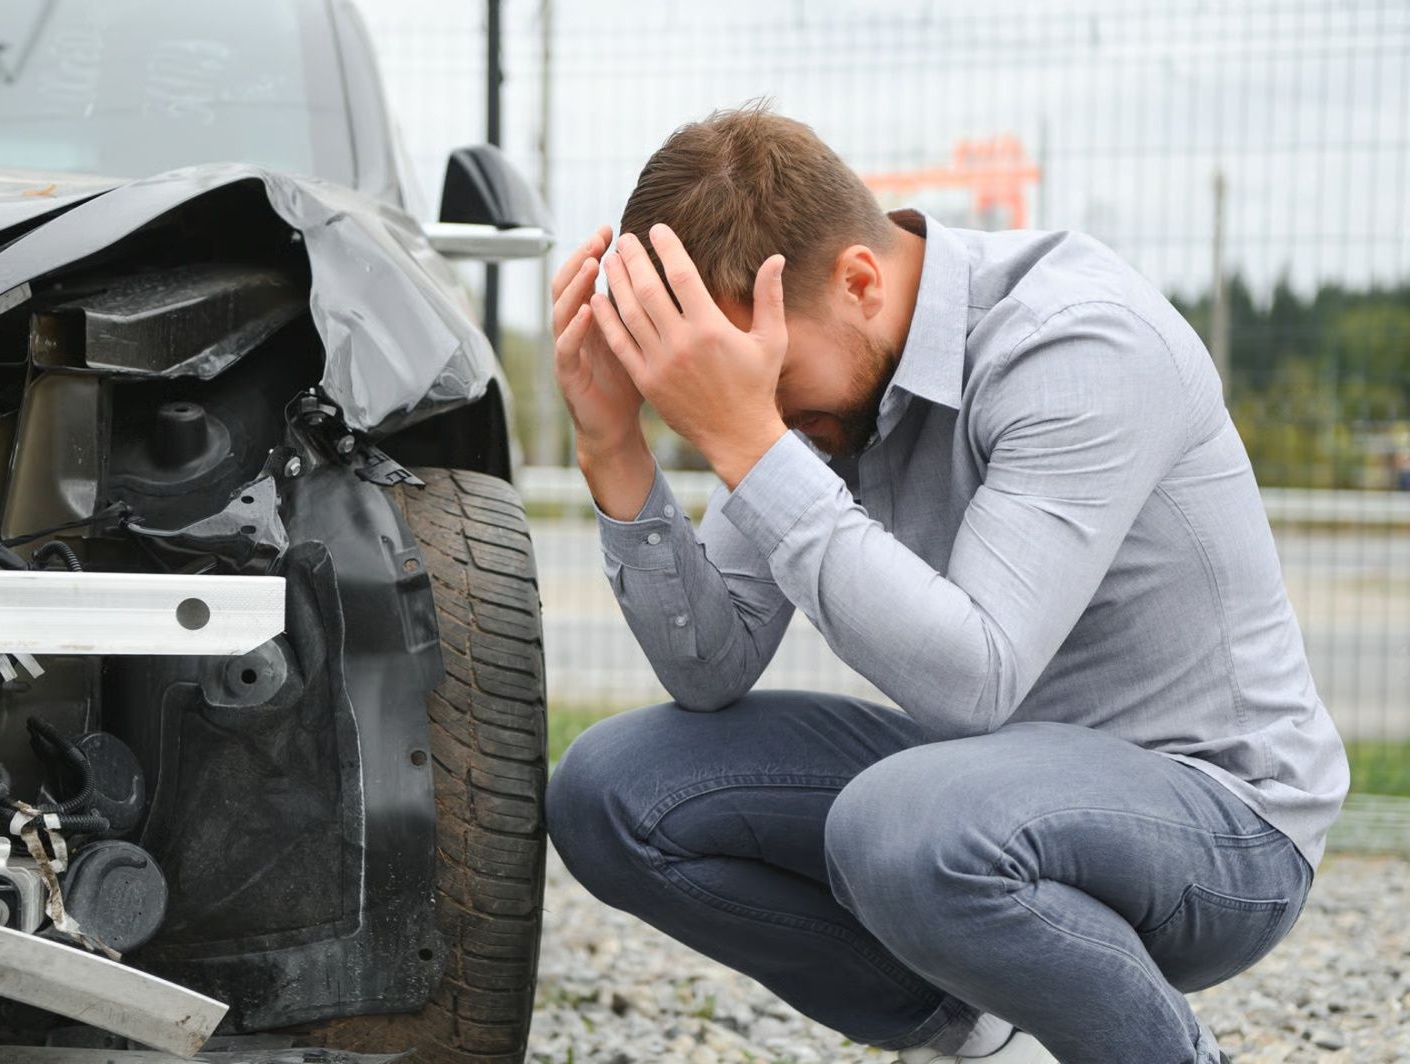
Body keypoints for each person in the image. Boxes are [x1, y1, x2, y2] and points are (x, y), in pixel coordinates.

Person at [542, 104, 1347, 1064]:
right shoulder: (818, 395)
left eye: (766, 380)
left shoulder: (1078, 342)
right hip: (981, 795)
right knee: (614, 791)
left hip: (1220, 819)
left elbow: (976, 680)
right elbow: (710, 668)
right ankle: (994, 1037)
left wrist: (749, 438)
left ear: (859, 280)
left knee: (903, 824)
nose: (761, 411)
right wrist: (614, 446)